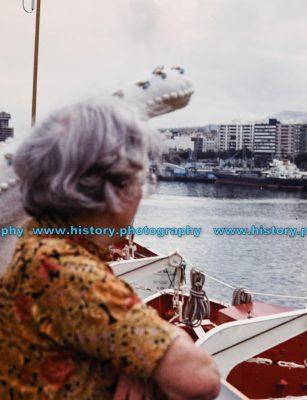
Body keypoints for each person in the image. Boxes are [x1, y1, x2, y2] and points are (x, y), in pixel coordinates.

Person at [0, 98, 220, 399]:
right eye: (142, 179)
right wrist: (147, 361)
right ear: (114, 188)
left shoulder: (32, 240)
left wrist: (128, 363)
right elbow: (201, 378)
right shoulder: (63, 269)